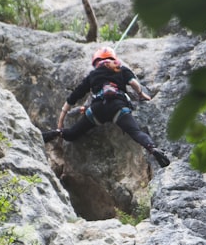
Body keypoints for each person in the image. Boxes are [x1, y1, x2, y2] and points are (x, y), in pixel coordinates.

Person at [42, 47, 170, 167]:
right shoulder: (121, 69)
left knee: (72, 134)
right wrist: (141, 94)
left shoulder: (93, 75)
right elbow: (133, 83)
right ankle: (152, 148)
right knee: (136, 132)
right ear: (114, 58)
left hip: (97, 110)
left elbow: (73, 97)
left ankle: (54, 133)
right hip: (118, 107)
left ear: (95, 62)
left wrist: (61, 121)